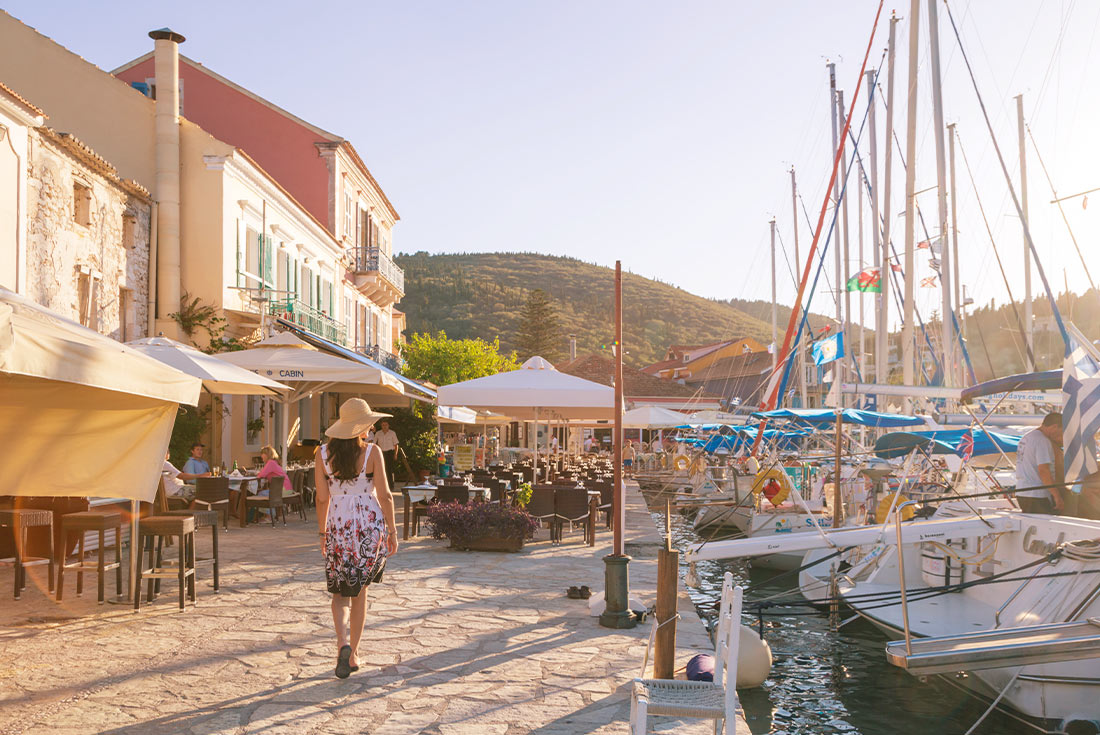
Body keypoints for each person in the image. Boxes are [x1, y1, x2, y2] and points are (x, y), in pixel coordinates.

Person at [316, 398, 398, 679]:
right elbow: (385, 495)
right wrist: (393, 530)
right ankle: (352, 656)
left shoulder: (322, 454)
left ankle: (342, 643)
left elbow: (321, 498)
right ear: (362, 426)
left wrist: (322, 532)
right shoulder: (373, 452)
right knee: (360, 590)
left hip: (338, 524)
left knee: (339, 591)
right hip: (367, 526)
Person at [1015, 412, 1065, 514]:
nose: (1061, 435)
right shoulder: (1042, 441)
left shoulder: (1026, 437)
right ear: (1054, 427)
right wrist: (1057, 496)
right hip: (1037, 495)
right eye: (1061, 431)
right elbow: (1044, 471)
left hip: (1022, 491)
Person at [252, 446, 290, 520]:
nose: (261, 456)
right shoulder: (274, 462)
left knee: (261, 494)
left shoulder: (270, 463)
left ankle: (269, 516)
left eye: (262, 454)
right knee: (265, 493)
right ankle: (269, 515)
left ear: (266, 455)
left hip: (281, 490)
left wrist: (256, 474)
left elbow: (261, 475)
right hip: (286, 489)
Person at [373, 419, 399, 489]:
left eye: (386, 425)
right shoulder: (378, 433)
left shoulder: (392, 433)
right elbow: (374, 443)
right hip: (381, 453)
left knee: (389, 470)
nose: (384, 426)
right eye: (383, 425)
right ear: (381, 426)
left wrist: (395, 454)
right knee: (381, 469)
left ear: (388, 425)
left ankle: (390, 486)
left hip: (390, 453)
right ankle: (382, 486)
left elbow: (396, 444)